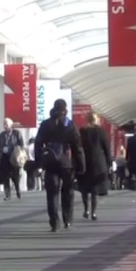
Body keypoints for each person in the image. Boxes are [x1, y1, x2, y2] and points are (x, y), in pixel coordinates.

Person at [35, 99, 85, 232]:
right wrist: (81, 164)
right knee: (68, 191)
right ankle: (67, 220)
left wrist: (39, 161)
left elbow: (38, 143)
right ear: (65, 109)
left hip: (50, 161)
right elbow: (78, 146)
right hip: (66, 162)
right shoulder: (70, 125)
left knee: (52, 192)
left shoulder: (46, 124)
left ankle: (54, 222)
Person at [78, 112, 112, 221]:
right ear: (97, 120)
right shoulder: (101, 131)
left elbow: (78, 147)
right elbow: (106, 148)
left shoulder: (82, 131)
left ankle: (86, 209)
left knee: (84, 187)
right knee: (94, 189)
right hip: (98, 162)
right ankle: (93, 212)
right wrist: (109, 163)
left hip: (85, 161)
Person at [0, 118, 24, 200]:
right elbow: (0, 146)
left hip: (14, 157)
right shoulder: (2, 135)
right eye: (4, 124)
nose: (5, 126)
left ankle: (18, 190)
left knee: (15, 177)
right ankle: (7, 195)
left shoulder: (17, 133)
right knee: (5, 177)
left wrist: (18, 152)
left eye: (6, 124)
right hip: (5, 158)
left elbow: (21, 144)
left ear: (11, 125)